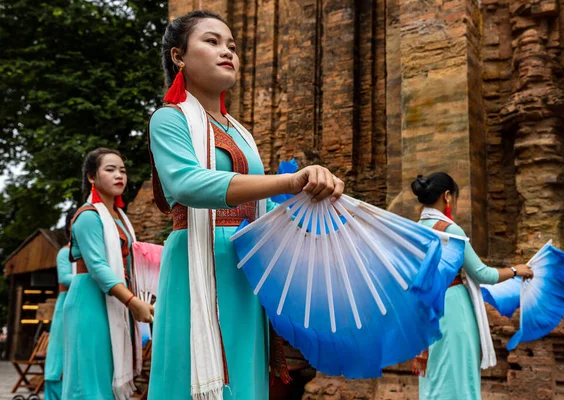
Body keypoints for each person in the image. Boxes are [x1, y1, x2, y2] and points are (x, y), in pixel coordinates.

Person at [147, 10, 344, 400]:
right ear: (178, 57)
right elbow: (187, 183)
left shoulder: (240, 133)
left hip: (245, 263)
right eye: (212, 41)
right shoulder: (169, 121)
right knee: (193, 376)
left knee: (244, 376)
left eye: (233, 46)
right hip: (195, 261)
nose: (228, 52)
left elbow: (263, 208)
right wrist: (289, 180)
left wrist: (310, 203)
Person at [411, 172, 534, 400]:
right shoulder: (450, 231)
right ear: (447, 196)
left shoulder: (413, 230)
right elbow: (482, 273)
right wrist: (518, 270)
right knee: (457, 377)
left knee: (435, 377)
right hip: (453, 308)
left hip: (426, 309)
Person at [62, 148, 154, 400]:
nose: (119, 176)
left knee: (107, 375)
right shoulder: (88, 217)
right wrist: (133, 302)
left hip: (114, 299)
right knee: (89, 379)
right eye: (110, 170)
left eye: (122, 170)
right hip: (89, 302)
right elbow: (99, 268)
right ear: (92, 177)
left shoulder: (121, 218)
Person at [44, 208, 76, 400]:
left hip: (84, 304)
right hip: (66, 305)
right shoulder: (64, 253)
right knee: (60, 349)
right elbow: (65, 278)